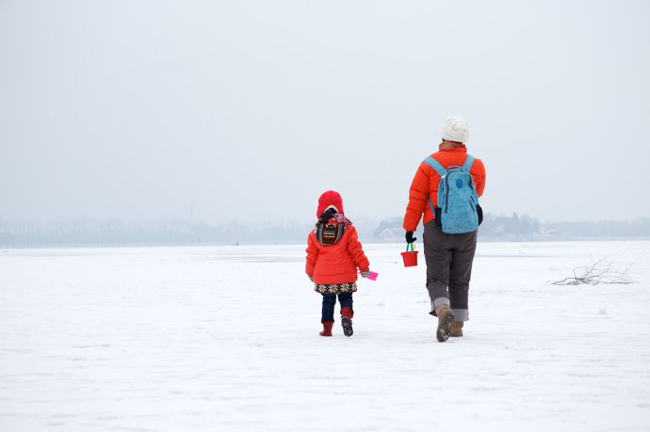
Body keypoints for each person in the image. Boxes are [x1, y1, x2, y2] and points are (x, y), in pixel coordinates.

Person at [403, 115, 486, 342]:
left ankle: (442, 310)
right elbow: (477, 193)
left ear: (443, 136)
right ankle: (457, 326)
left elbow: (417, 199)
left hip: (436, 227)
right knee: (461, 279)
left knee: (437, 278)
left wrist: (409, 228)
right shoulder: (475, 165)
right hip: (468, 229)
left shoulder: (429, 164)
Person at [306, 190, 370, 337]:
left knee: (327, 301)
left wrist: (310, 272)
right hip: (346, 275)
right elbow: (356, 251)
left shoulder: (315, 232)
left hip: (324, 276)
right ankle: (346, 315)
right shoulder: (347, 228)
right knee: (346, 297)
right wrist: (365, 268)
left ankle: (327, 330)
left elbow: (311, 255)